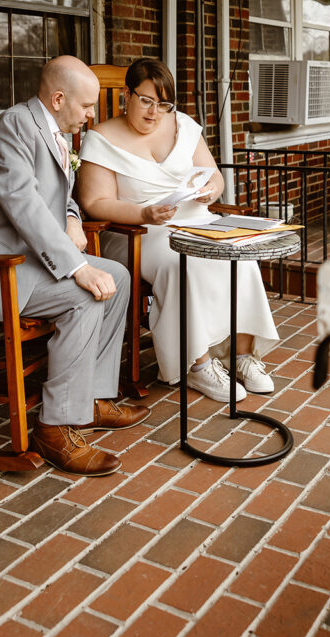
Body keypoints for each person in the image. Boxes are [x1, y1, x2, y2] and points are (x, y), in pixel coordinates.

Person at [0, 56, 148, 477]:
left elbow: (57, 194)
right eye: (86, 107)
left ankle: (92, 398)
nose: (91, 116)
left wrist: (70, 217)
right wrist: (77, 269)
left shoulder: (56, 130)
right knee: (84, 296)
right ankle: (54, 428)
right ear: (59, 98)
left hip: (24, 258)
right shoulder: (13, 126)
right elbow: (24, 205)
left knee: (118, 276)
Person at [77, 57, 278, 402]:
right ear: (127, 94)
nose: (155, 112)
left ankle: (242, 356)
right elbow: (94, 202)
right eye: (146, 101)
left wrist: (211, 190)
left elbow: (215, 176)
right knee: (181, 262)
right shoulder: (100, 138)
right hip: (137, 230)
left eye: (164, 104)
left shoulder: (182, 125)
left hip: (195, 218)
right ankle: (198, 366)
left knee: (238, 252)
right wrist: (144, 212)